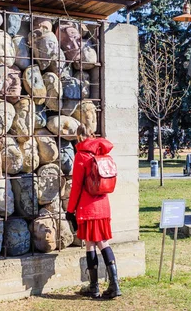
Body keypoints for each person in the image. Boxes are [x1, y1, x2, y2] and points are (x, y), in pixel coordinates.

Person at [65, 124, 121, 299]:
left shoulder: (81, 156)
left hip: (87, 207)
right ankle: (111, 284)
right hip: (103, 205)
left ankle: (97, 286)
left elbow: (76, 187)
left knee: (93, 244)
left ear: (79, 137)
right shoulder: (102, 153)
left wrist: (70, 210)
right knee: (100, 242)